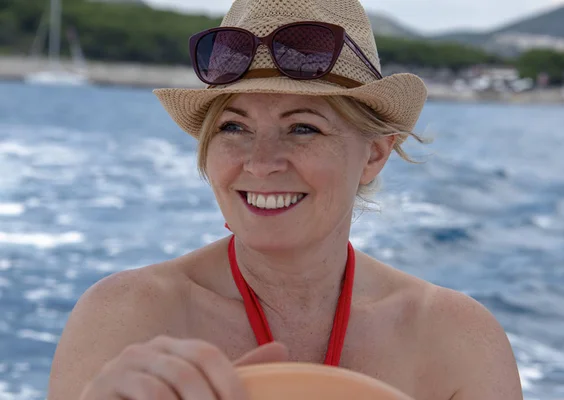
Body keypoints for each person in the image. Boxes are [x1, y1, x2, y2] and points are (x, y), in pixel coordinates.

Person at [47, 0, 523, 399]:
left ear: (375, 155)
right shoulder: (125, 317)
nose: (261, 162)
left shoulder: (457, 339)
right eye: (234, 127)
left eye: (302, 128)